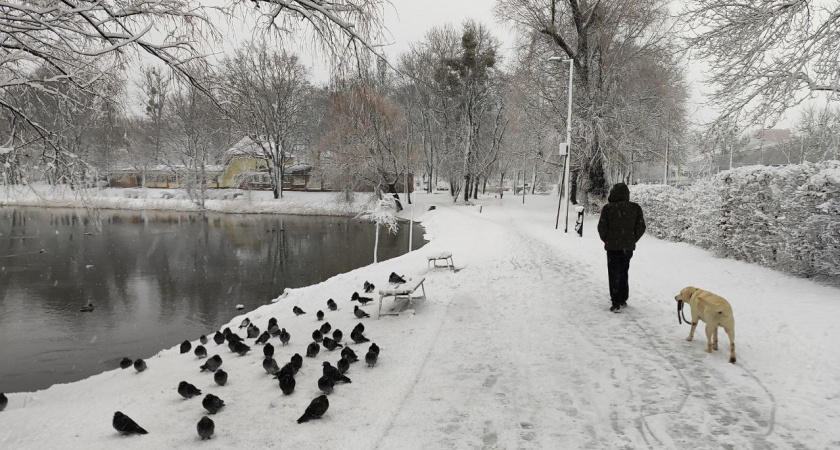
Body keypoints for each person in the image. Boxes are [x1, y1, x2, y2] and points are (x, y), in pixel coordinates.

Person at [597, 183, 646, 312]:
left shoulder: (608, 208)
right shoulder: (635, 208)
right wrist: (632, 239)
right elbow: (641, 227)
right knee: (624, 271)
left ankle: (616, 301)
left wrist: (607, 239)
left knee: (614, 273)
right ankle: (623, 298)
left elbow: (601, 227)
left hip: (612, 247)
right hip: (627, 247)